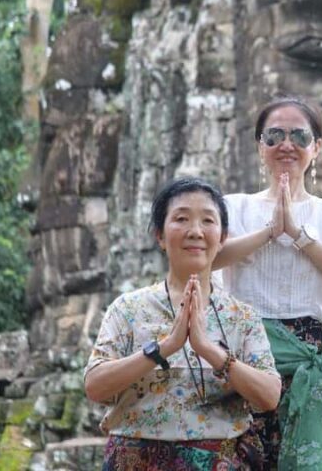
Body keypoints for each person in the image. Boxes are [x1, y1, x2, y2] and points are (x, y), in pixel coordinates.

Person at [212, 95, 322, 470]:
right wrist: (268, 232)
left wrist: (300, 236)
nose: (287, 144)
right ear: (260, 146)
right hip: (243, 354)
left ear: (316, 147)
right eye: (275, 135)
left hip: (308, 355)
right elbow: (209, 258)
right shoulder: (233, 207)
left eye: (299, 136)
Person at [84, 177, 282, 470]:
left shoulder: (241, 316)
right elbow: (95, 386)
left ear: (223, 237)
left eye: (207, 221)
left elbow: (268, 396)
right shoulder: (128, 308)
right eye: (181, 219)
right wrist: (163, 348)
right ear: (160, 236)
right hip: (136, 461)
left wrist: (209, 350)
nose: (195, 231)